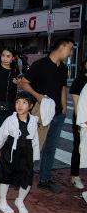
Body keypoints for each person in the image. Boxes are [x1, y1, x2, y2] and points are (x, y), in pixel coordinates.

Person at [21, 38, 74, 193]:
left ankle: (45, 179)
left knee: (50, 148)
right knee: (34, 146)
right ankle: (23, 176)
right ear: (62, 47)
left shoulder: (63, 68)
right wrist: (37, 96)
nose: (70, 53)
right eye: (69, 49)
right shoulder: (40, 65)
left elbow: (62, 88)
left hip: (58, 115)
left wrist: (64, 107)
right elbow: (24, 82)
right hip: (41, 113)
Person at [0, 91, 39, 213]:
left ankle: (19, 200)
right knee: (6, 175)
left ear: (30, 106)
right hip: (11, 150)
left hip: (26, 151)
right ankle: (2, 201)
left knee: (27, 178)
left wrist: (35, 156)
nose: (20, 105)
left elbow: (35, 139)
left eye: (24, 102)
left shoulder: (33, 121)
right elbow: (0, 137)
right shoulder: (10, 120)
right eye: (18, 102)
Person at [69, 59, 87, 189]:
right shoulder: (79, 81)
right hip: (81, 119)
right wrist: (80, 122)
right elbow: (76, 104)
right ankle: (75, 176)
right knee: (78, 146)